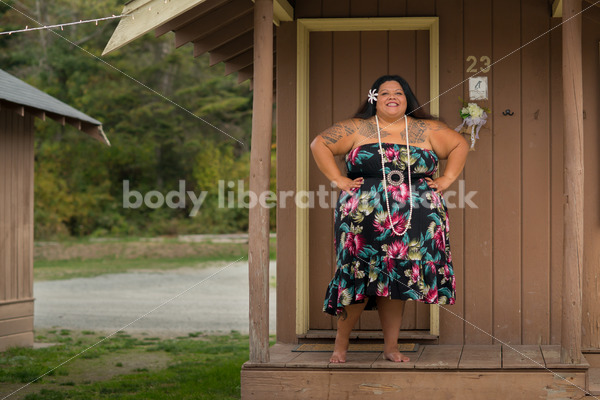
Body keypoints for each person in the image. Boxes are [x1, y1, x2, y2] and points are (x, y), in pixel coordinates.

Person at [310, 75, 469, 363]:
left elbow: (459, 145)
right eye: (385, 93)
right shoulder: (357, 127)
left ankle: (391, 347)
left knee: (396, 277)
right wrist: (337, 179)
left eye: (398, 92)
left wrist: (447, 178)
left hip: (415, 217)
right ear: (374, 98)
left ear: (407, 98)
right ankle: (340, 346)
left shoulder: (425, 129)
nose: (392, 97)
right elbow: (319, 144)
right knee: (358, 274)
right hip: (362, 217)